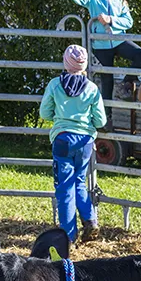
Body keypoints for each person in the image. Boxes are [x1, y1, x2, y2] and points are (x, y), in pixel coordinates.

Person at [51, 0, 141, 101]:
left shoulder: (120, 1)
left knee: (140, 55)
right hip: (101, 45)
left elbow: (128, 21)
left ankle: (126, 83)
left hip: (119, 40)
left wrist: (111, 20)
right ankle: (107, 117)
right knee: (106, 79)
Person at [39, 45, 106, 243]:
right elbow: (101, 121)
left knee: (64, 187)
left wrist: (58, 117)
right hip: (85, 141)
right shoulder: (92, 88)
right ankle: (90, 219)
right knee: (79, 182)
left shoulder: (54, 85)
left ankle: (68, 235)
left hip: (62, 139)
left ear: (65, 63)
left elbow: (44, 113)